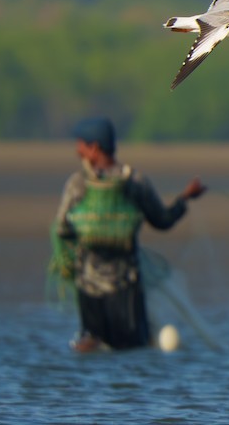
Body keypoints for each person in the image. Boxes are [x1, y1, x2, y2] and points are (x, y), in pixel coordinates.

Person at [50, 116, 205, 352]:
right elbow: (162, 220)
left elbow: (62, 228)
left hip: (87, 286)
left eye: (80, 145)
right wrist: (185, 197)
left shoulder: (78, 184)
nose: (77, 151)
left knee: (90, 344)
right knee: (132, 348)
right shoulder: (134, 181)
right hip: (125, 286)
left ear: (94, 148)